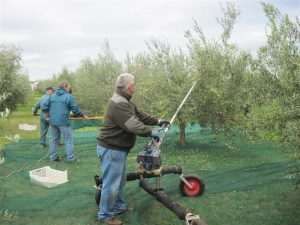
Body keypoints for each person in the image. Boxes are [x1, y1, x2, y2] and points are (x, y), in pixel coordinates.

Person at [96, 73, 169, 225]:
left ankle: (118, 207)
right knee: (111, 184)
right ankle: (106, 216)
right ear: (130, 87)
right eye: (134, 84)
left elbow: (140, 115)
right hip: (111, 150)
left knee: (119, 181)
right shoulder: (118, 103)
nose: (135, 87)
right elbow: (133, 125)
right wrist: (150, 132)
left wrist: (158, 121)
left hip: (117, 150)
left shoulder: (125, 101)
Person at [42, 81, 88, 162]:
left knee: (54, 140)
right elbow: (75, 110)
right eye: (69, 87)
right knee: (68, 140)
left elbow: (44, 107)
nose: (70, 88)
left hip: (53, 122)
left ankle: (53, 157)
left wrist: (48, 115)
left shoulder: (51, 96)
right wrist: (83, 115)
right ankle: (70, 158)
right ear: (65, 87)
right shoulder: (68, 96)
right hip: (63, 122)